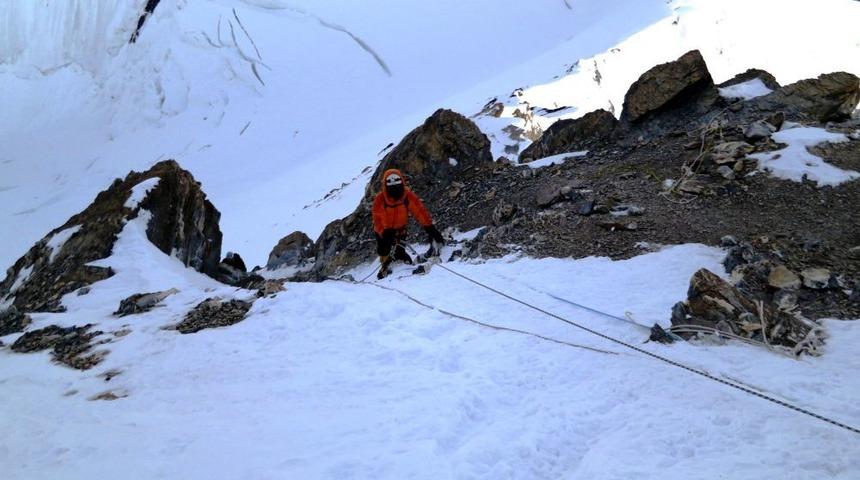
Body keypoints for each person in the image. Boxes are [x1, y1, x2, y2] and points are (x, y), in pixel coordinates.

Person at [372, 168, 445, 279]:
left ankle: (398, 262)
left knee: (400, 252)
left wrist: (430, 227)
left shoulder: (407, 195)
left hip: (400, 230)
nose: (394, 188)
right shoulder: (380, 199)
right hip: (384, 232)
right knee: (384, 250)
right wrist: (385, 232)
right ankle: (385, 266)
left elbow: (419, 211)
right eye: (391, 185)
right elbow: (377, 219)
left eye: (397, 183)